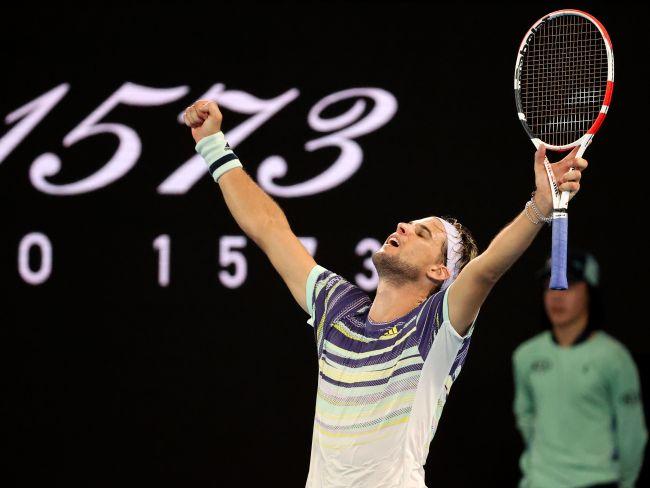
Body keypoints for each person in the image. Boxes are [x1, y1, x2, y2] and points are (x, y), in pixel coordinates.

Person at [183, 99, 587, 488]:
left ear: (439, 271)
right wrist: (212, 144)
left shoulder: (435, 330)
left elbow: (484, 272)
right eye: (410, 223)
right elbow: (270, 229)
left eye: (422, 233)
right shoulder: (338, 308)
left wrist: (539, 206)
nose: (403, 226)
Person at [513, 251, 647, 488]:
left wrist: (624, 483)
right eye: (549, 285)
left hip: (597, 481)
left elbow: (632, 432)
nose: (556, 294)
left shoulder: (615, 358)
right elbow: (525, 417)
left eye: (569, 283)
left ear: (590, 291)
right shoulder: (526, 356)